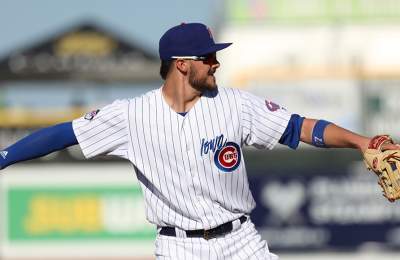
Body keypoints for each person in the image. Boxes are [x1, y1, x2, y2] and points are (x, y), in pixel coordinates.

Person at [0, 22, 398, 260]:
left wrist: (361, 141)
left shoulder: (235, 104)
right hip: (179, 248)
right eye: (208, 57)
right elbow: (62, 134)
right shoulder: (131, 115)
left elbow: (300, 128)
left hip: (241, 240)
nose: (216, 63)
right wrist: (4, 157)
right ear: (182, 65)